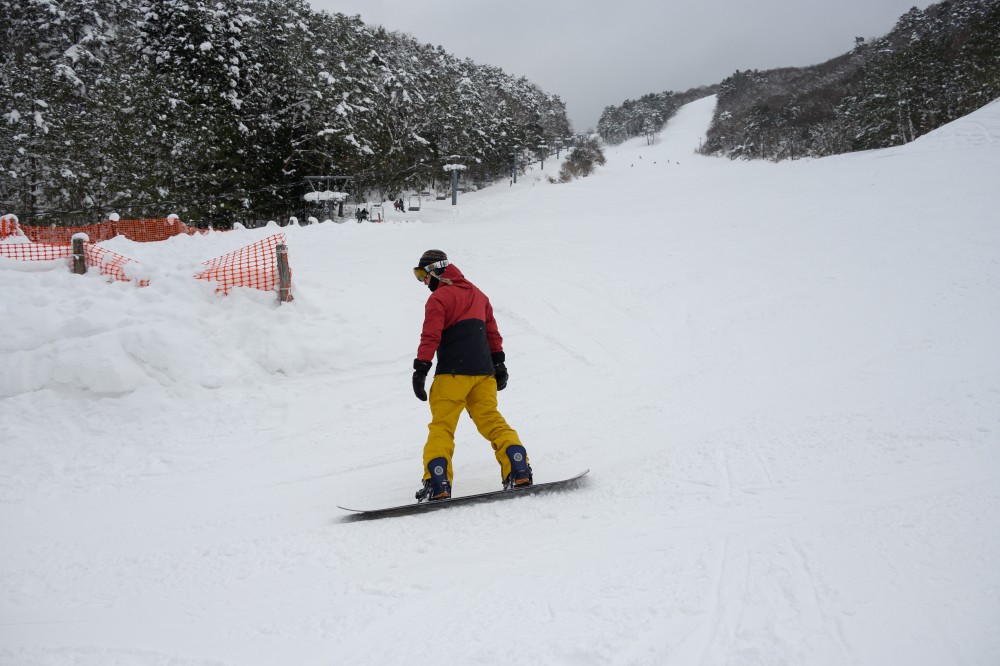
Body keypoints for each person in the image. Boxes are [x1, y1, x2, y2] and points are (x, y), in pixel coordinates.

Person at [411, 249, 532, 501]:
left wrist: (421, 368)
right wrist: (499, 364)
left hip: (452, 375)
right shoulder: (479, 295)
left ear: (435, 270)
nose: (423, 281)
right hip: (483, 374)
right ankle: (518, 467)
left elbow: (430, 336)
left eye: (422, 274)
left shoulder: (438, 298)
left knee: (442, 427)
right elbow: (492, 334)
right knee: (493, 421)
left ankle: (438, 482)